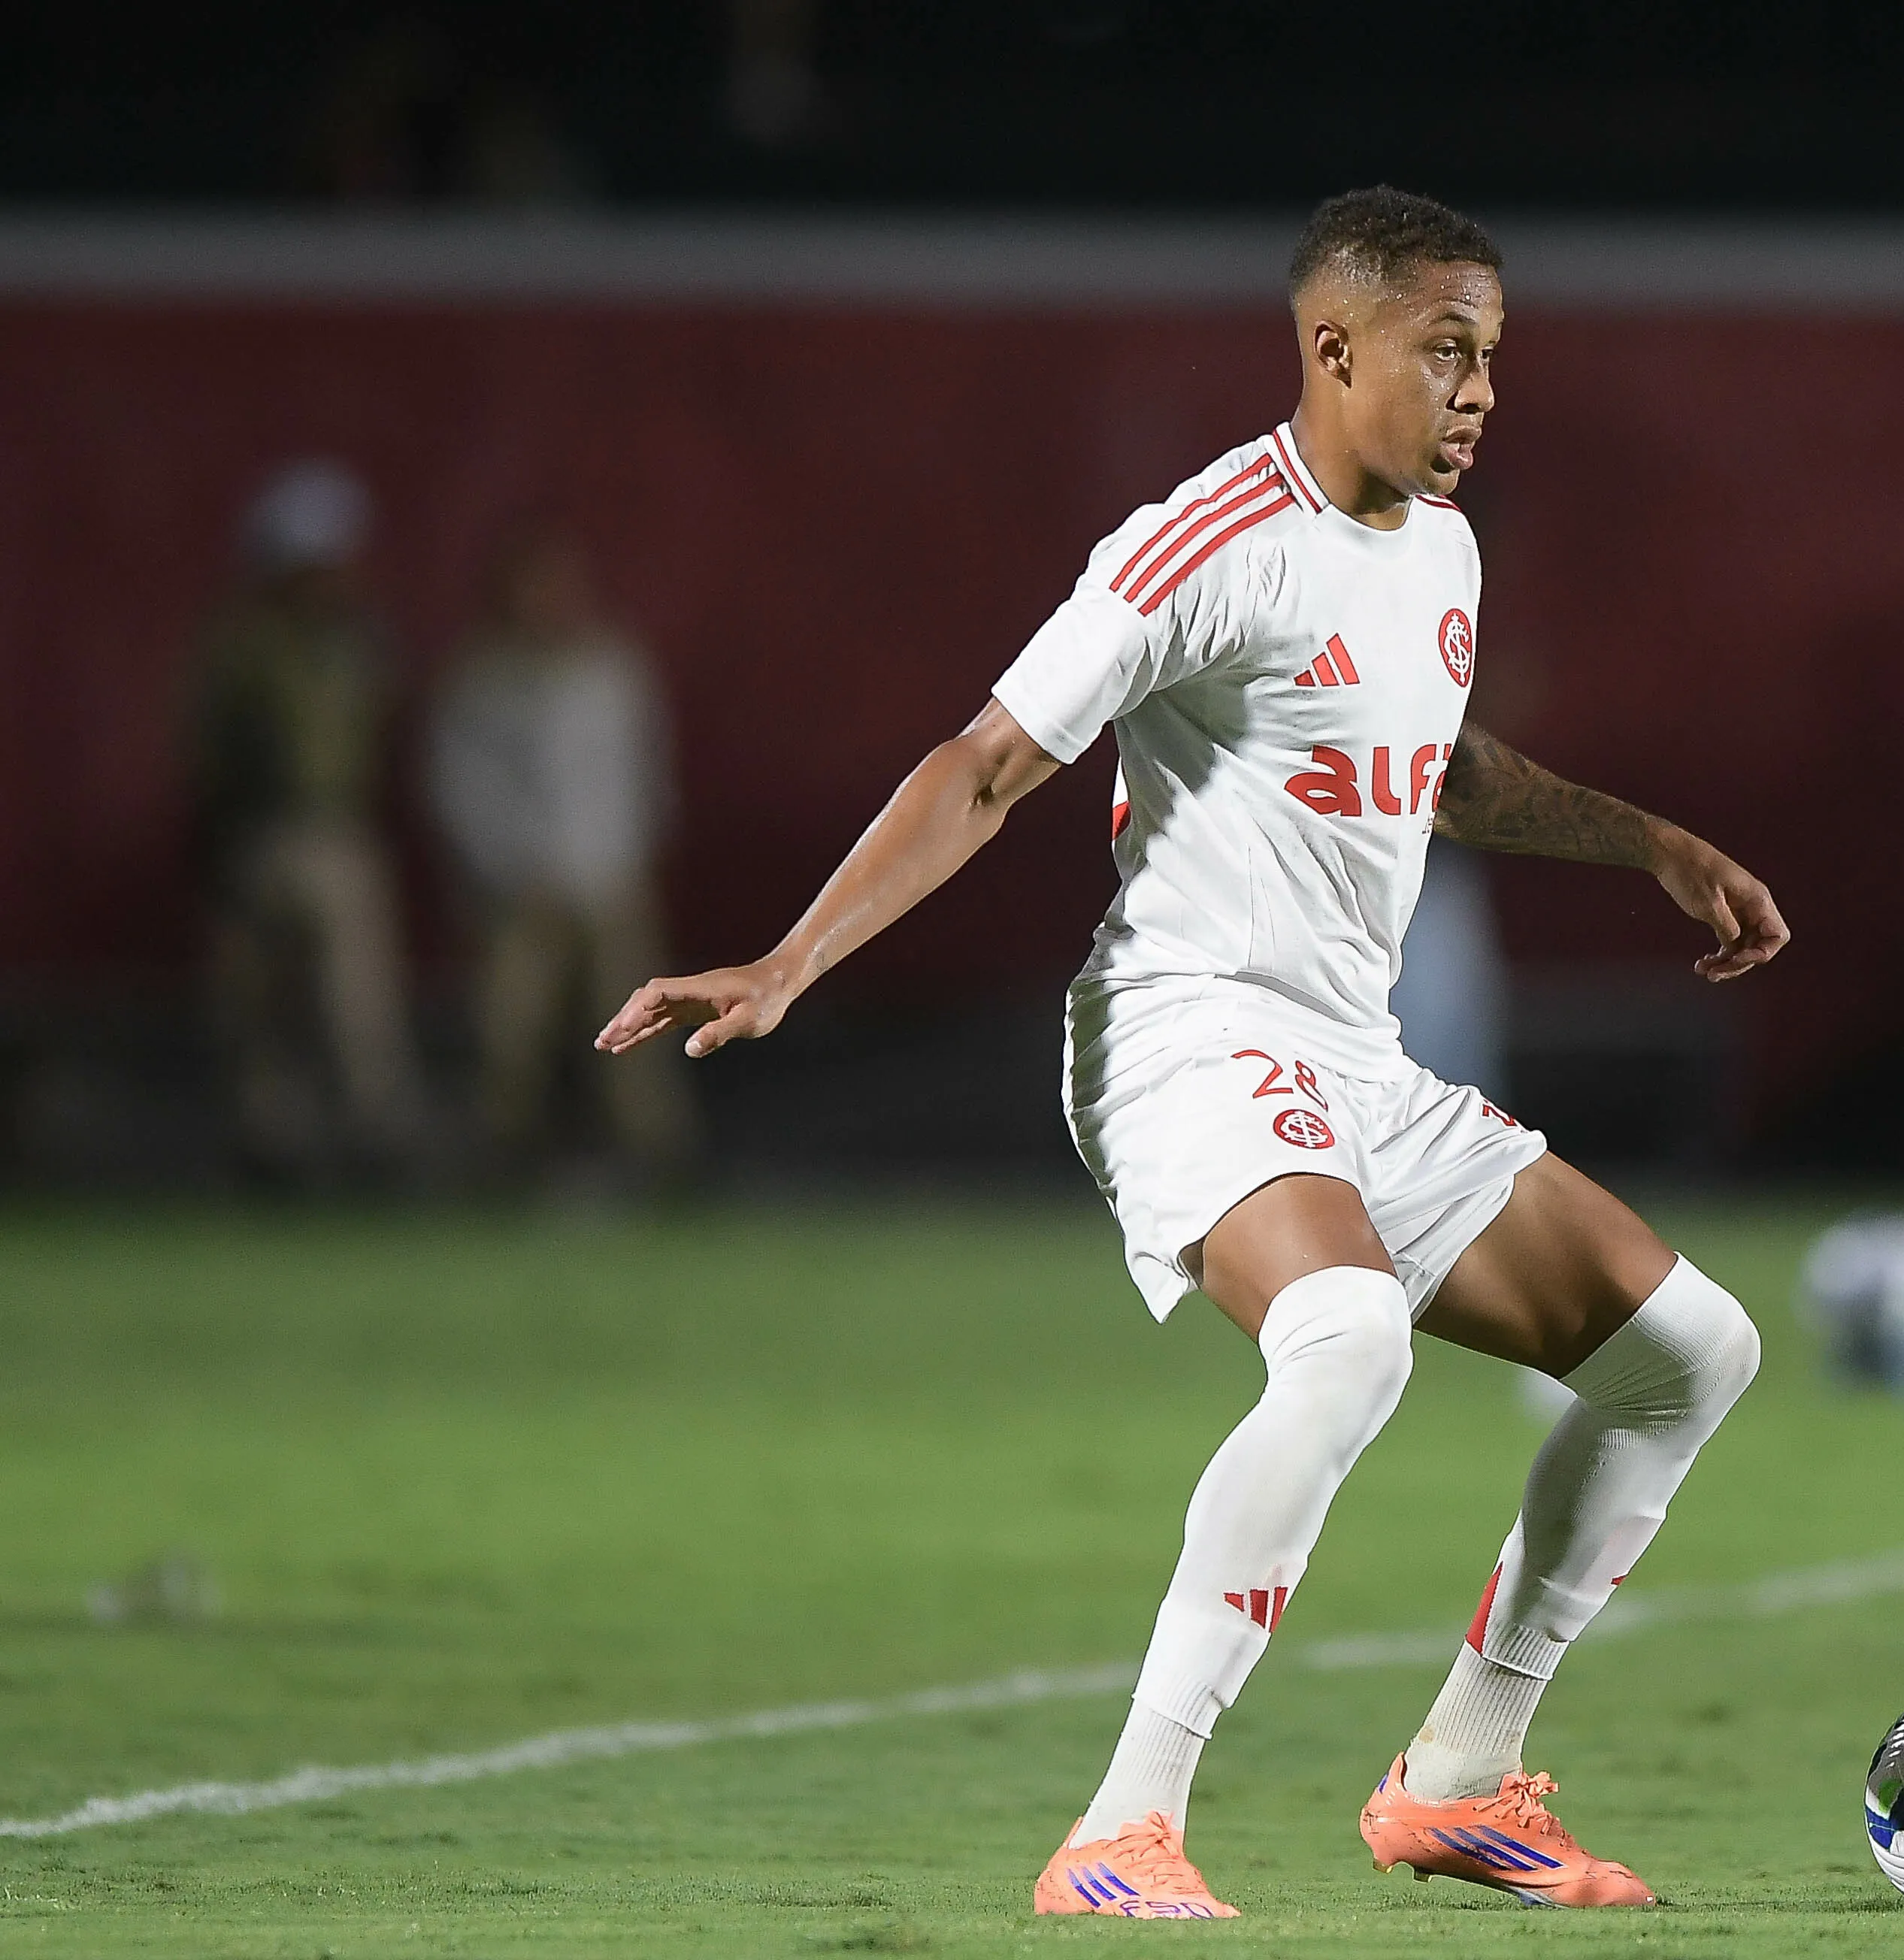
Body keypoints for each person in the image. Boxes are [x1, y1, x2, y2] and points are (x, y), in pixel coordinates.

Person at [596, 186, 1788, 1916]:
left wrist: (1651, 843)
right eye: (1446, 351)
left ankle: (1458, 1778)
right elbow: (985, 761)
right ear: (1334, 346)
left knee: (1687, 1353)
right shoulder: (1205, 540)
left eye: (1491, 357)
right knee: (1346, 1338)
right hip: (1186, 1026)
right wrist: (790, 960)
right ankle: (1119, 1830)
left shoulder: (1440, 548)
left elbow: (1442, 765)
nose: (1478, 391)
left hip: (1350, 1055)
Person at [432, 525, 695, 1187]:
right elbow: (463, 788)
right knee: (510, 1036)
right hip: (520, 895)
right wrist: (509, 869)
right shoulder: (482, 681)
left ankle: (656, 1167)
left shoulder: (611, 670)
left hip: (610, 884)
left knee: (638, 1034)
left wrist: (626, 859)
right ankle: (499, 1168)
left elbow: (642, 775)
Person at [195, 458, 430, 1183]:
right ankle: (273, 1149)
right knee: (261, 1007)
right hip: (261, 837)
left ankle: (378, 1142)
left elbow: (386, 737)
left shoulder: (359, 644)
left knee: (359, 1005)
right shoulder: (245, 648)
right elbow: (210, 755)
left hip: (339, 835)